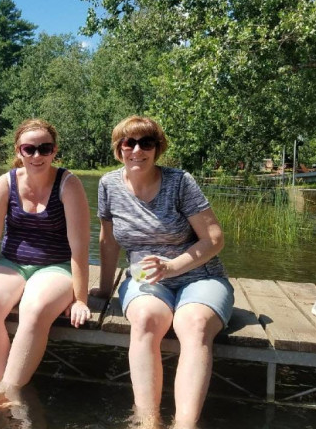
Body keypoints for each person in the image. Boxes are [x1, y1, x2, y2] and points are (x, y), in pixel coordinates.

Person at [0, 118, 91, 421]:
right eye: (30, 148)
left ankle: (5, 392)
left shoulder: (68, 184)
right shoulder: (6, 183)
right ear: (19, 151)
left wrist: (81, 299)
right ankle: (5, 390)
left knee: (34, 309)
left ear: (54, 151)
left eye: (45, 148)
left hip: (55, 265)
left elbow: (79, 247)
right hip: (11, 262)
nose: (37, 156)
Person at [91, 115, 232, 429]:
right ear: (118, 149)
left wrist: (172, 266)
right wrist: (103, 289)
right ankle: (147, 421)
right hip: (146, 279)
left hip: (200, 276)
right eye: (129, 142)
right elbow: (108, 240)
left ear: (157, 148)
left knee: (193, 324)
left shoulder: (179, 182)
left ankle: (184, 423)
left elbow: (214, 238)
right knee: (145, 320)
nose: (137, 150)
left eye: (147, 143)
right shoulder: (108, 185)